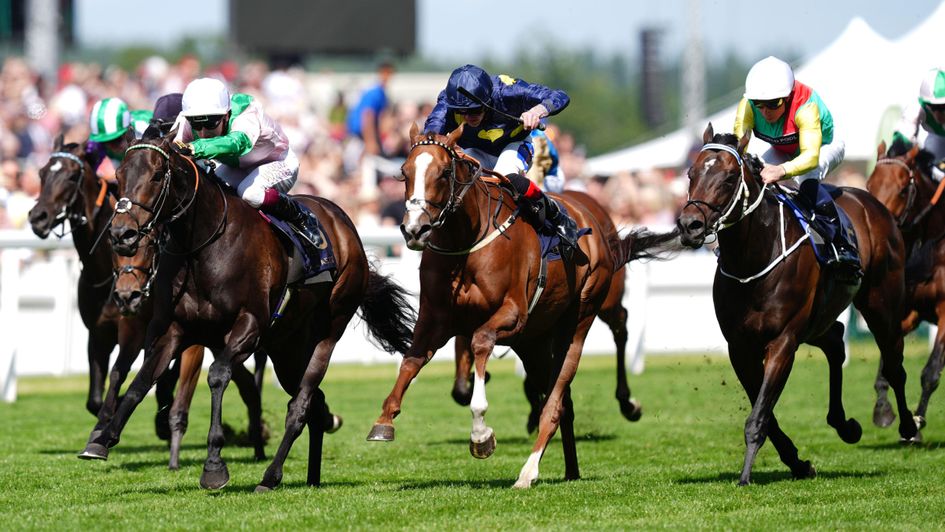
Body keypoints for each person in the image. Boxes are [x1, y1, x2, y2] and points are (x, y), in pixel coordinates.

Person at [423, 64, 577, 248]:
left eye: (475, 109)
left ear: (488, 98)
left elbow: (560, 95)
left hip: (514, 144)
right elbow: (430, 135)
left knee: (506, 175)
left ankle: (555, 215)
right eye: (461, 111)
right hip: (473, 150)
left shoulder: (508, 91)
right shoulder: (447, 101)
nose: (467, 116)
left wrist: (537, 111)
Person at [733, 55, 859, 278]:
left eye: (774, 104)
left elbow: (810, 157)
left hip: (823, 147)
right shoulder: (748, 105)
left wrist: (780, 171)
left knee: (808, 179)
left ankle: (842, 245)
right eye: (760, 104)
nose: (765, 112)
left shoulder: (806, 107)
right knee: (753, 176)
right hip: (785, 150)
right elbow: (737, 148)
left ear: (789, 97)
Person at [169, 77, 322, 248]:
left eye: (210, 122)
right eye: (196, 124)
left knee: (250, 194)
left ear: (227, 115)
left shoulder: (246, 110)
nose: (204, 132)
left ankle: (300, 216)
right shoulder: (188, 118)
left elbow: (238, 143)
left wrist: (194, 147)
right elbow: (170, 147)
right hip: (237, 167)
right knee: (212, 191)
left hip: (278, 162)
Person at [892, 67, 945, 179]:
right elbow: (902, 140)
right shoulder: (916, 108)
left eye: (943, 107)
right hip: (937, 138)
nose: (938, 114)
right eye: (933, 107)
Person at [87, 97, 154, 175]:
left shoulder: (146, 127)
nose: (114, 146)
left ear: (129, 128)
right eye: (107, 141)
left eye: (117, 139)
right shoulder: (95, 145)